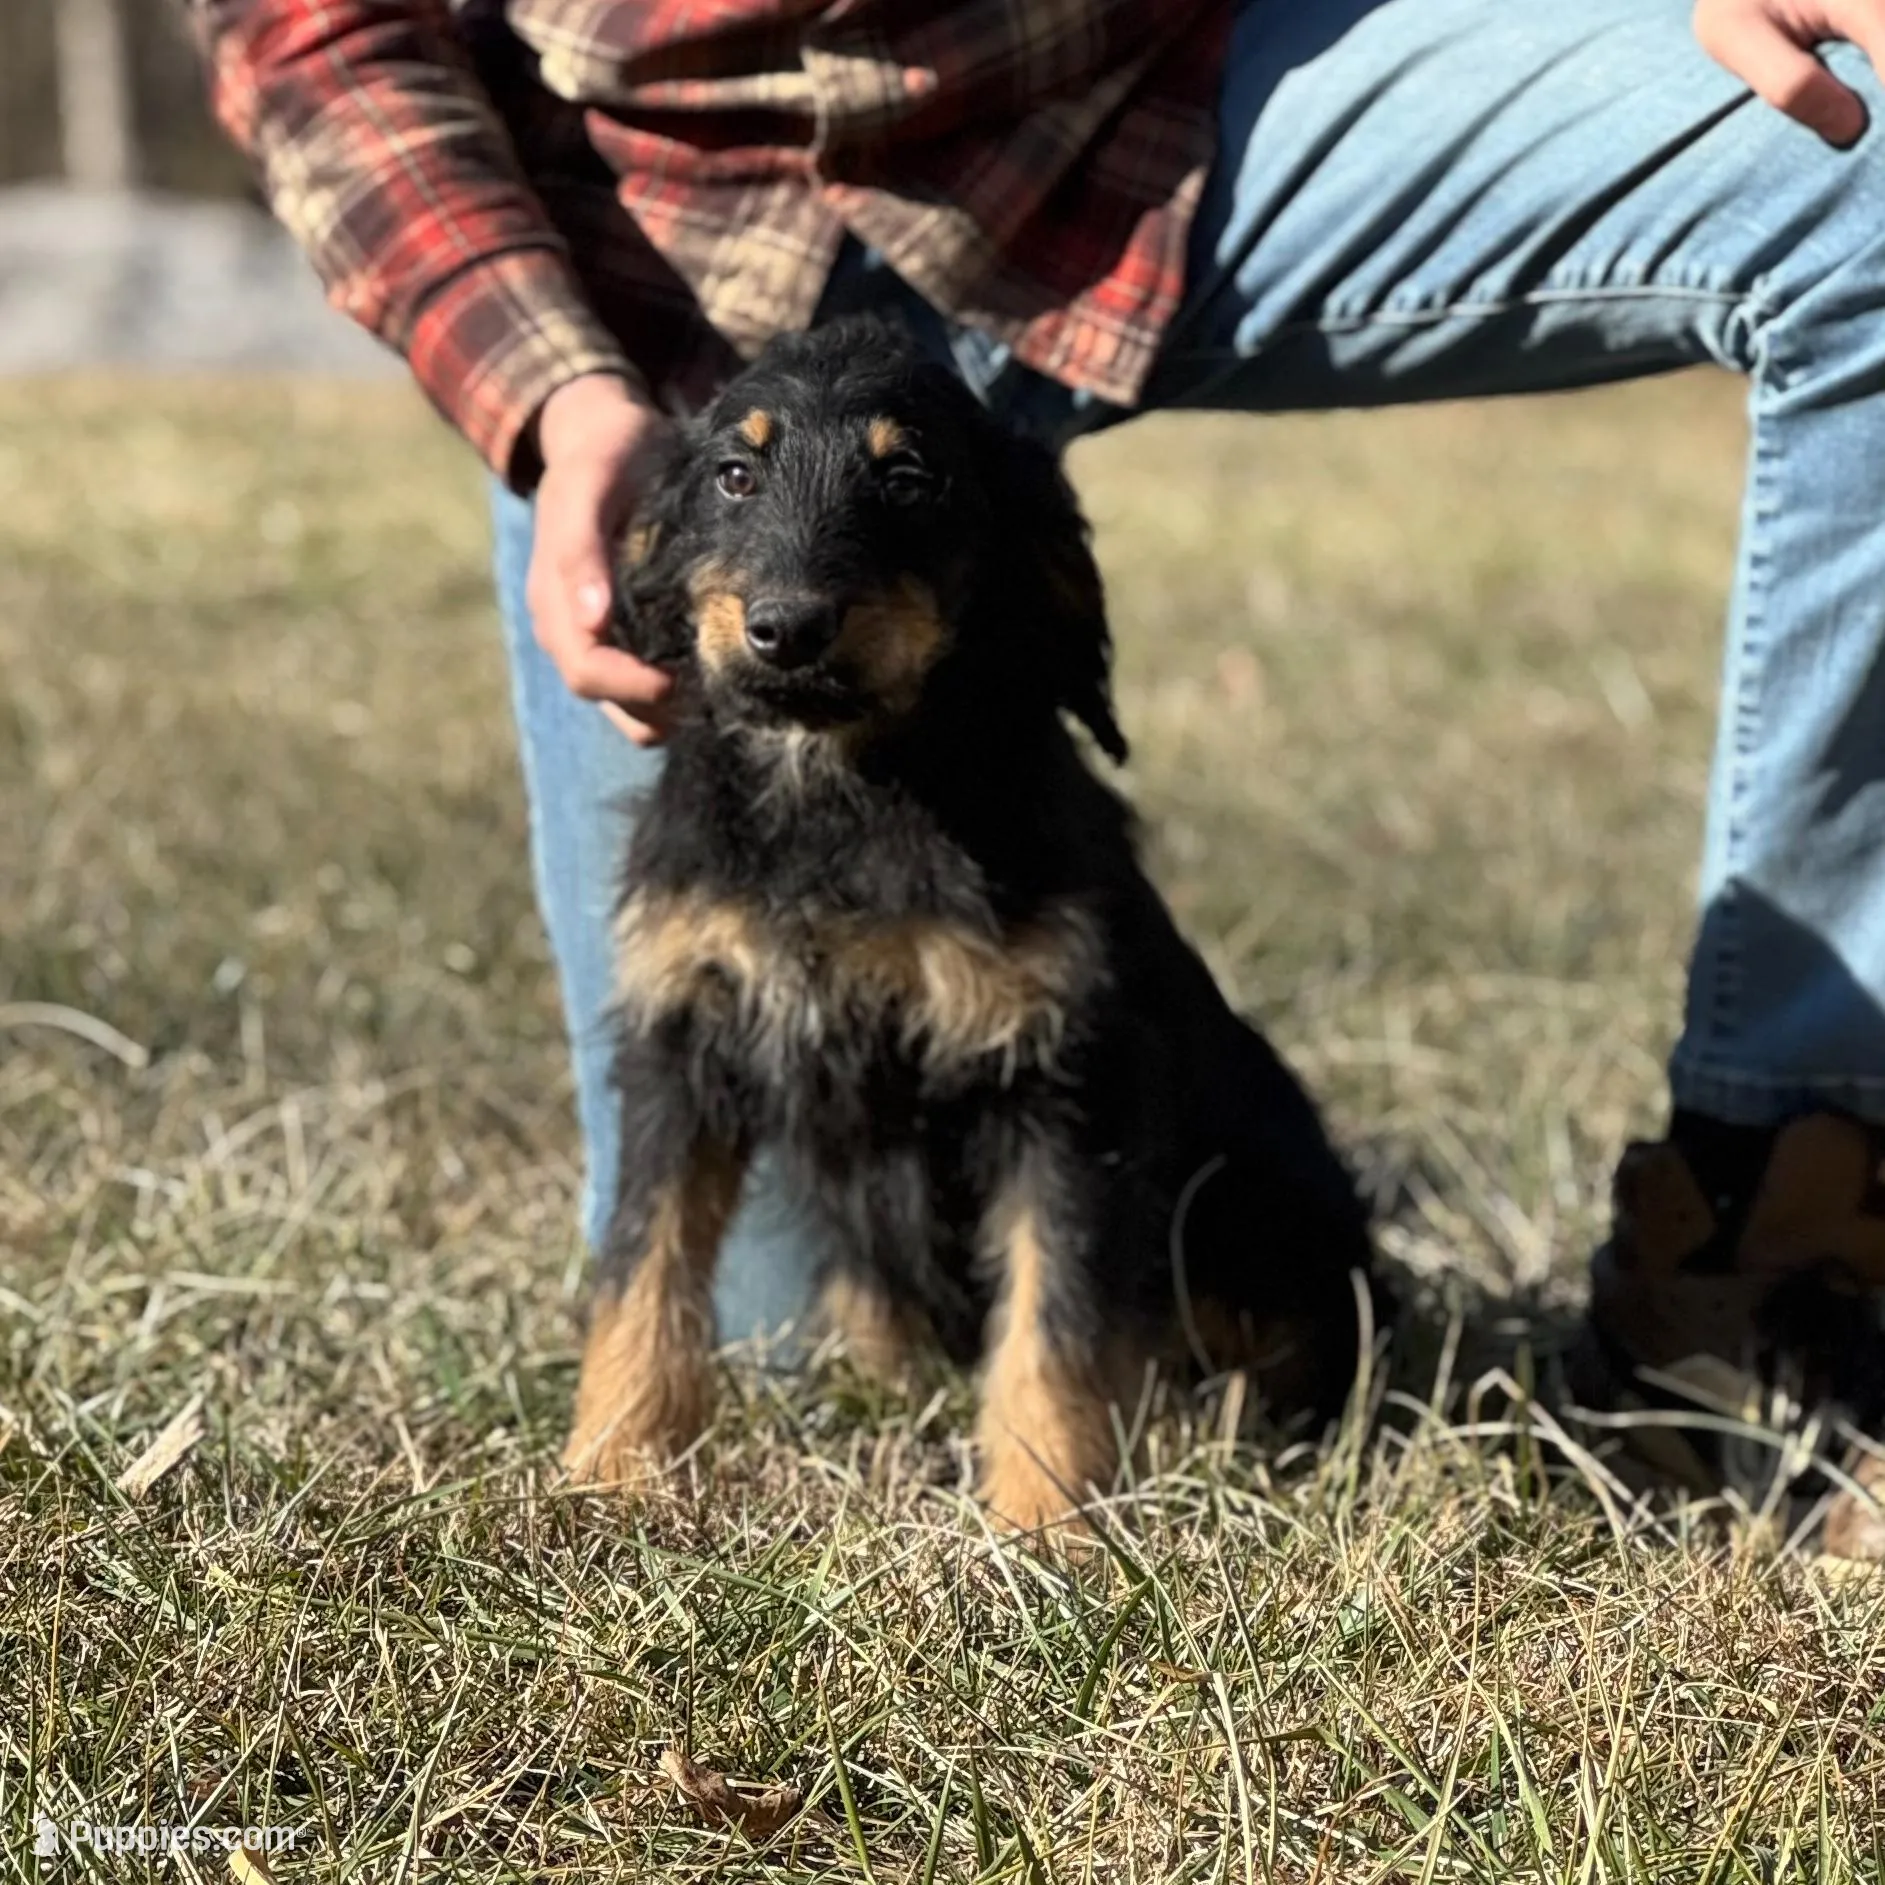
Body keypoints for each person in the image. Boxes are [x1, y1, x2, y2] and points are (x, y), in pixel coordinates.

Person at [189, 0, 1885, 1506]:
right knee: (807, 1313)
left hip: (1146, 99)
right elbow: (312, 29)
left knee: (1861, 151)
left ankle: (1771, 1216)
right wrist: (558, 398)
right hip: (667, 254)